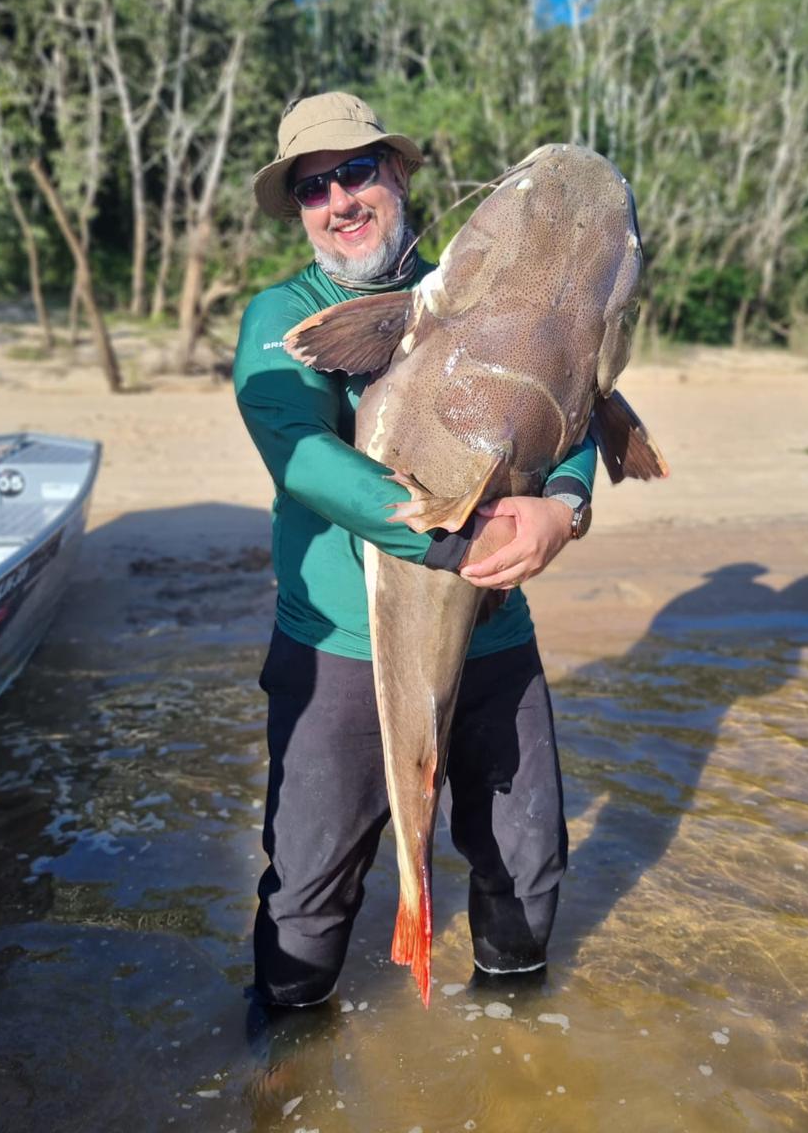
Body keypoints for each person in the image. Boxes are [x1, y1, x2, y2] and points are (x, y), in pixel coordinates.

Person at [234, 91, 596, 1010]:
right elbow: (301, 452)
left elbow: (572, 404)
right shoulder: (283, 313)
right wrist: (446, 537)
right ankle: (284, 1059)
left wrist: (563, 505)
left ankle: (514, 1045)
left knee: (528, 862)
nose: (340, 201)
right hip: (342, 644)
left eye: (357, 172)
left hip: (493, 631)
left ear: (397, 173)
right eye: (313, 188)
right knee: (310, 892)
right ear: (299, 210)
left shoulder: (483, 291)